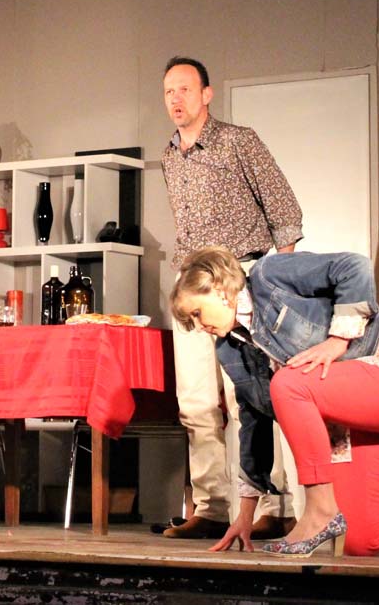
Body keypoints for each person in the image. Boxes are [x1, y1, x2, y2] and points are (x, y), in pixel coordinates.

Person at [169, 246, 379, 556]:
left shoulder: (268, 277)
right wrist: (245, 516)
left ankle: (319, 510)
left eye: (197, 313)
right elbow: (254, 424)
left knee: (288, 383)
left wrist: (338, 340)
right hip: (354, 419)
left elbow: (354, 266)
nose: (199, 327)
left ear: (220, 290)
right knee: (360, 540)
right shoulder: (231, 347)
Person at [160, 56, 304, 540]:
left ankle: (275, 504)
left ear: (207, 94)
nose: (176, 99)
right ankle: (212, 506)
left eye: (185, 89)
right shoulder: (169, 156)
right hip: (191, 283)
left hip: (240, 275)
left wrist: (277, 280)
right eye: (169, 91)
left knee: (251, 399)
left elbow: (283, 208)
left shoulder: (239, 141)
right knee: (196, 403)